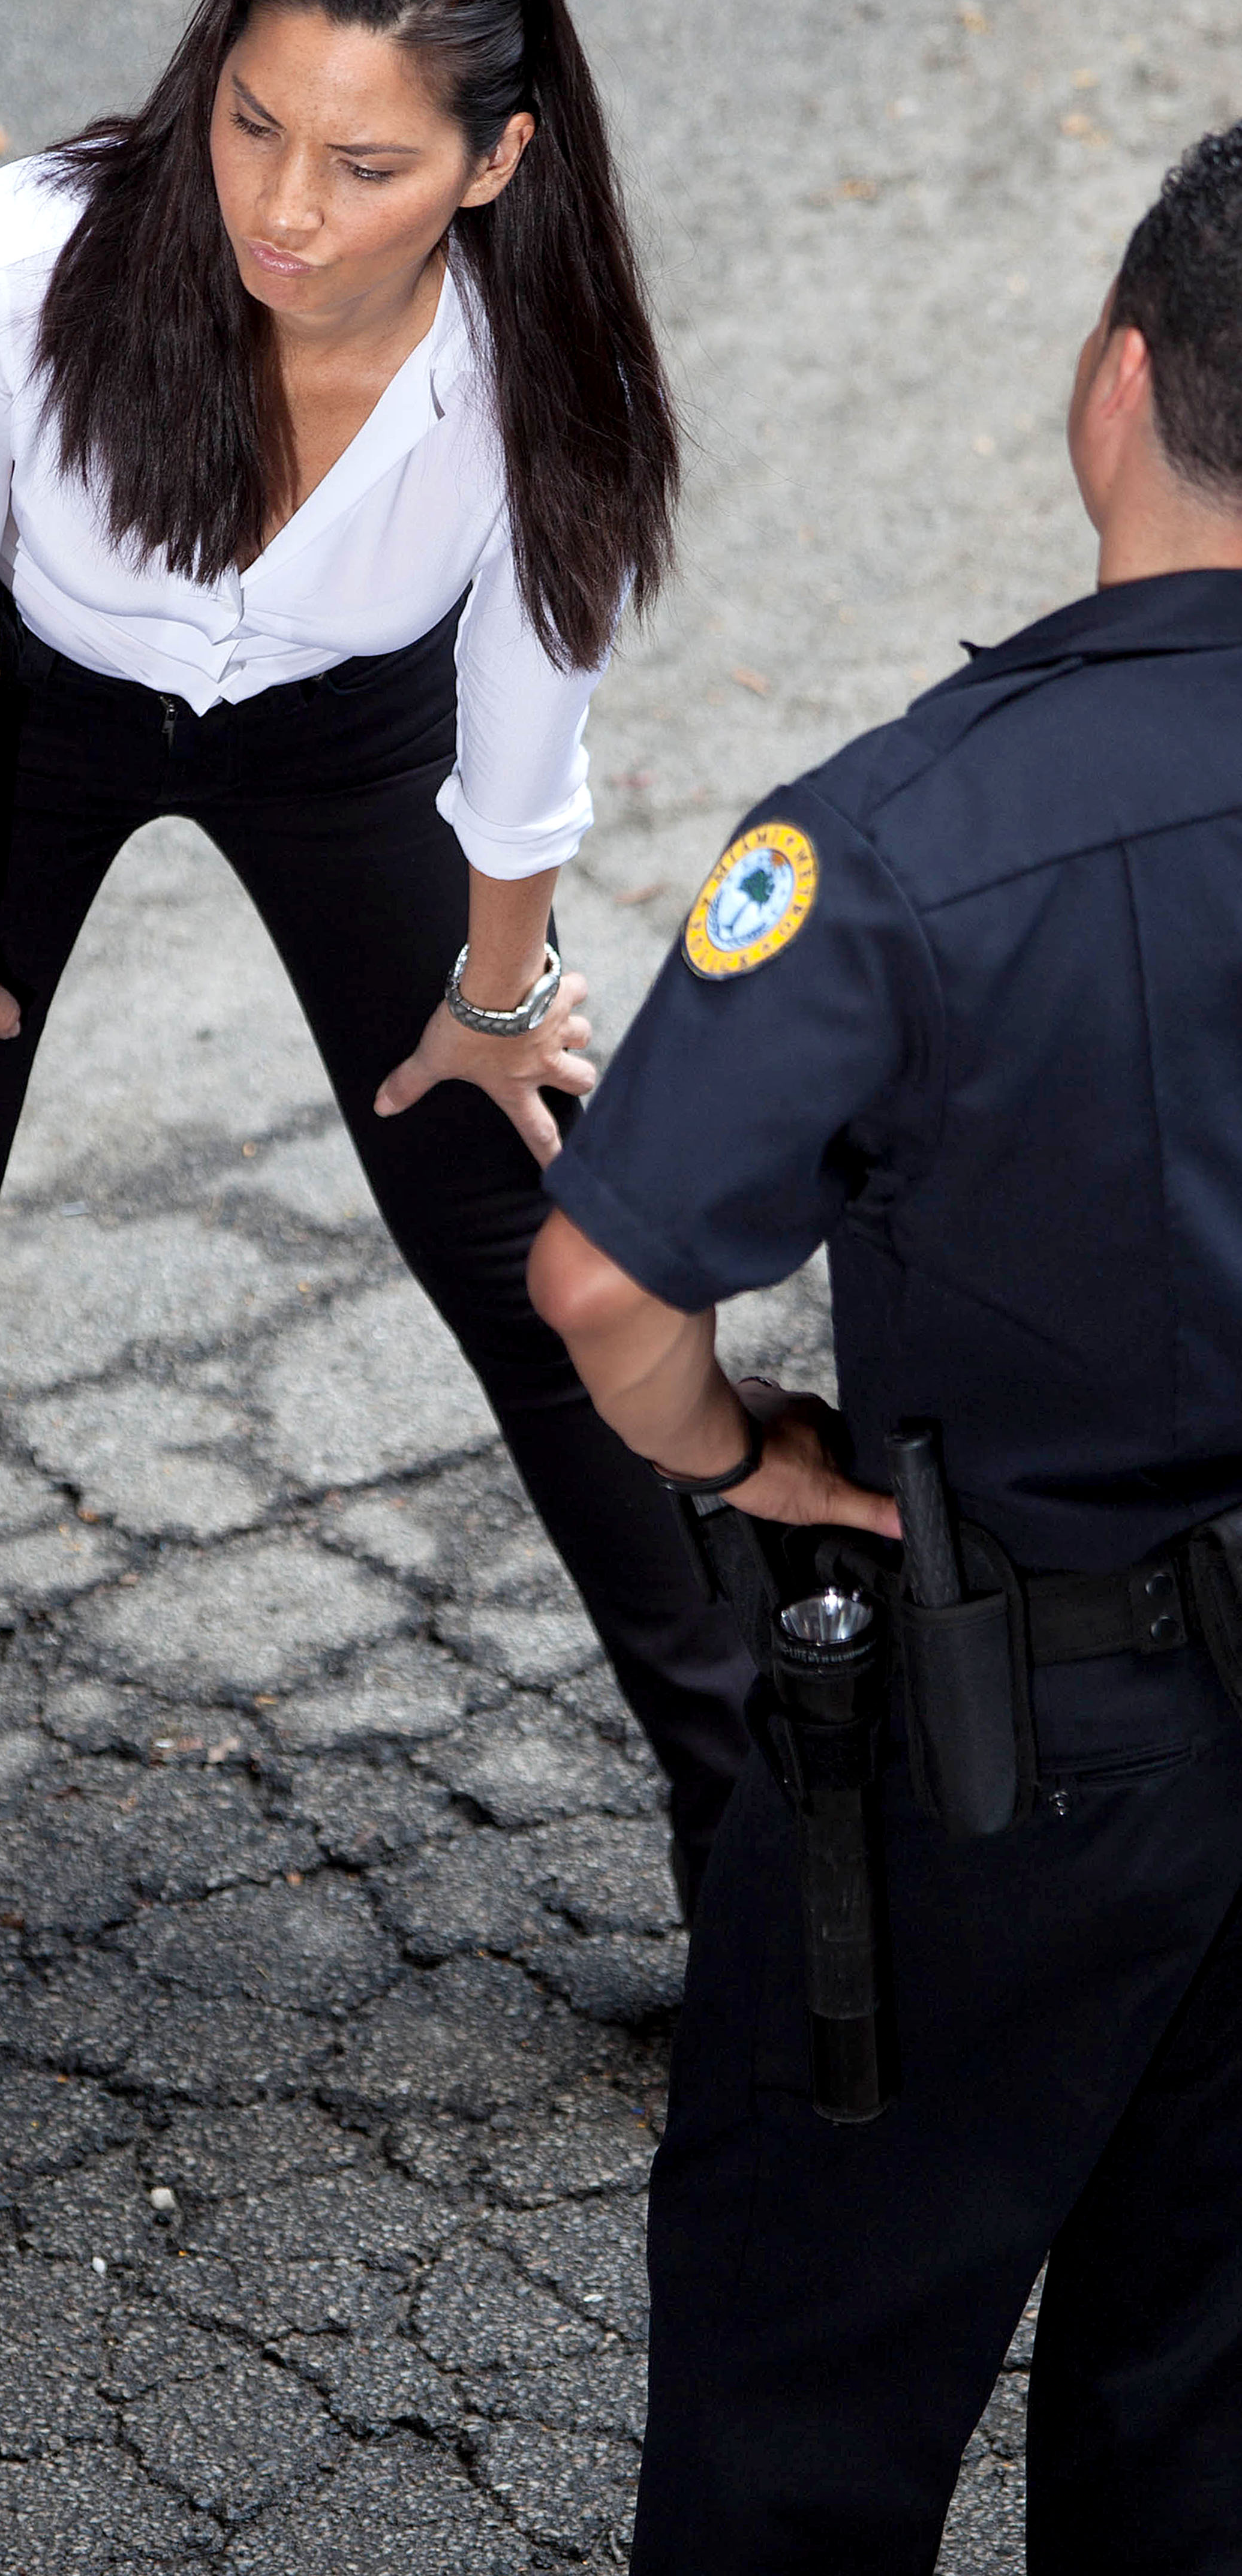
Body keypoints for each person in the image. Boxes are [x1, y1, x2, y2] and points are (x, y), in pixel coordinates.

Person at [0, 0, 753, 2247]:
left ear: (494, 163)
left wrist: (498, 998)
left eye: (367, 163)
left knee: (544, 1264)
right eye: (253, 122)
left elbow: (525, 727)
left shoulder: (530, 364)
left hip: (345, 742)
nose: (284, 206)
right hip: (10, 725)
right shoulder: (15, 265)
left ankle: (763, 1861)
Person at [529, 123, 1242, 2572]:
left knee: (808, 2401)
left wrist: (743, 1456)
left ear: (1115, 385)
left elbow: (606, 1284)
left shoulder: (906, 841)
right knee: (1207, 2415)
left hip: (1008, 1746)